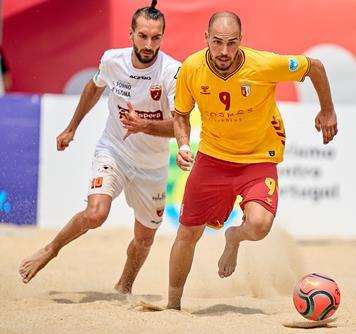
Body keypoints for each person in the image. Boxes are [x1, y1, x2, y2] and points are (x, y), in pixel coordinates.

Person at [167, 11, 338, 309]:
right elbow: (180, 114)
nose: (223, 51)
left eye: (231, 43)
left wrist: (327, 111)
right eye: (217, 42)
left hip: (258, 157)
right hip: (213, 158)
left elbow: (316, 67)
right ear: (205, 38)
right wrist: (183, 144)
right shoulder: (191, 68)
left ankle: (234, 237)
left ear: (241, 41)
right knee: (188, 231)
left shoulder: (262, 64)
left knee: (259, 226)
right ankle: (172, 304)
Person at [19, 0, 181, 294]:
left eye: (156, 37)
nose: (149, 44)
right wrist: (71, 127)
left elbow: (181, 126)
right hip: (115, 151)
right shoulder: (112, 61)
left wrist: (143, 125)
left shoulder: (172, 72)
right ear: (130, 33)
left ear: (162, 37)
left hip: (152, 166)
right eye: (143, 35)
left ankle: (124, 287)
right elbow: (95, 86)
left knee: (144, 239)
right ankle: (51, 249)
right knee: (95, 214)